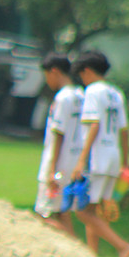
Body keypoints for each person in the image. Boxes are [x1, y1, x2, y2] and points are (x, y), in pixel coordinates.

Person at [71, 49, 129, 257]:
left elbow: (94, 125)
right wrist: (124, 163)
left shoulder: (92, 91)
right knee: (95, 210)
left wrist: (81, 160)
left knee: (82, 211)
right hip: (113, 155)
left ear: (87, 71)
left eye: (81, 74)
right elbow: (125, 130)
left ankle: (123, 247)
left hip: (96, 157)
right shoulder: (116, 93)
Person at [34, 53, 84, 237]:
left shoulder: (62, 98)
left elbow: (59, 133)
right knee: (63, 213)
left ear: (54, 71)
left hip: (59, 162)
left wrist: (52, 170)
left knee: (43, 214)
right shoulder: (80, 95)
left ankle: (74, 250)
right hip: (74, 160)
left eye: (47, 75)